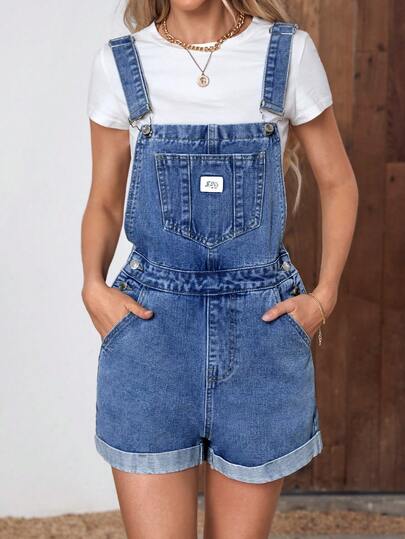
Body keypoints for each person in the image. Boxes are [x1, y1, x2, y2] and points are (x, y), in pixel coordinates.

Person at [81, 1, 359, 537]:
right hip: (151, 340)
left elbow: (338, 182)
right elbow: (105, 200)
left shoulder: (287, 53)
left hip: (261, 339)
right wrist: (93, 286)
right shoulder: (121, 62)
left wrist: (324, 296)